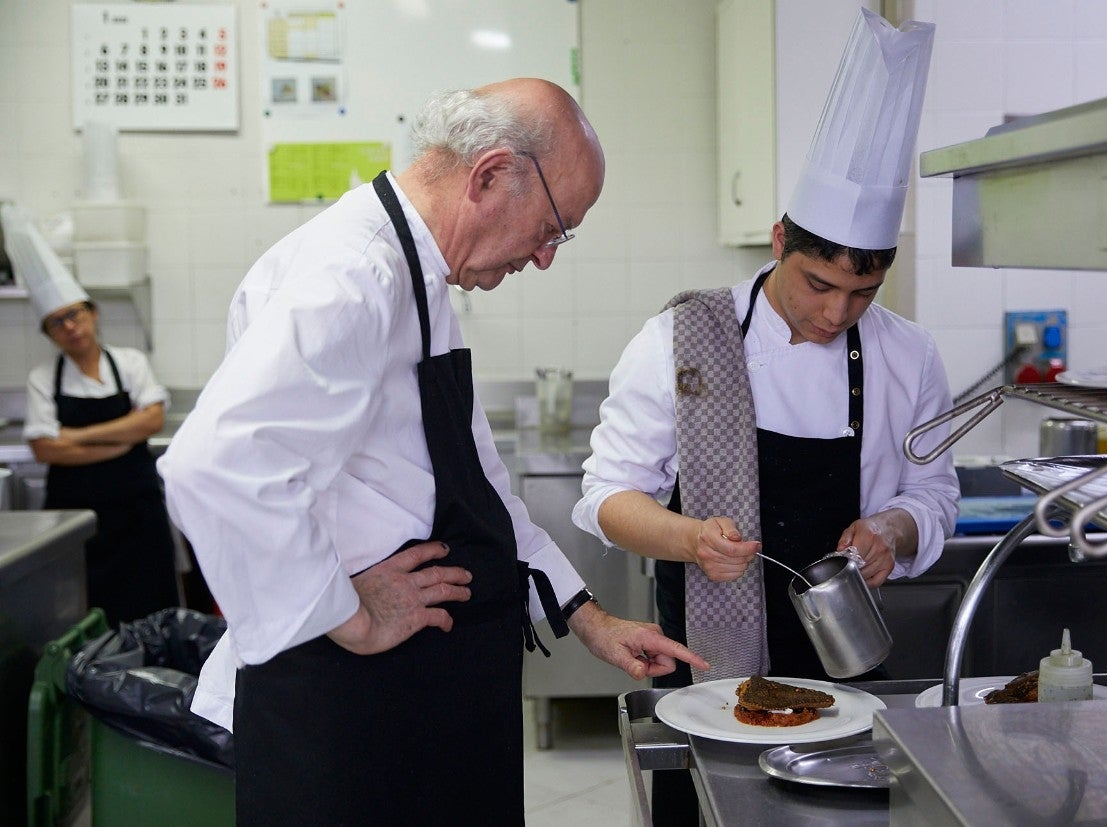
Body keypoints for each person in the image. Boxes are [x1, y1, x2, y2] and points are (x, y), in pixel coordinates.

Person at [157, 78, 708, 825]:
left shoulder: (421, 279)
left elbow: (479, 485)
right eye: (551, 228)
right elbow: (213, 466)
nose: (545, 257)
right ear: (487, 176)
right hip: (354, 710)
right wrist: (348, 610)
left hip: (424, 702)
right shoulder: (353, 275)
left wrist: (589, 618)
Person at [571, 12, 957, 823]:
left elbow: (937, 495)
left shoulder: (909, 355)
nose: (835, 313)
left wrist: (896, 527)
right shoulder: (681, 337)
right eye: (818, 283)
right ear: (780, 239)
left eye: (863, 294)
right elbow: (605, 497)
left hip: (849, 675)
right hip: (708, 674)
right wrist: (687, 539)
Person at [3, 203, 179, 626]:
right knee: (82, 613)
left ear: (92, 313)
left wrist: (75, 436)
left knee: (150, 611)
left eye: (75, 315)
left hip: (138, 516)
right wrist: (120, 441)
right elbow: (45, 448)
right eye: (57, 323)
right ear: (49, 334)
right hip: (78, 521)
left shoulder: (131, 362)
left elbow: (151, 422)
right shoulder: (42, 377)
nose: (71, 327)